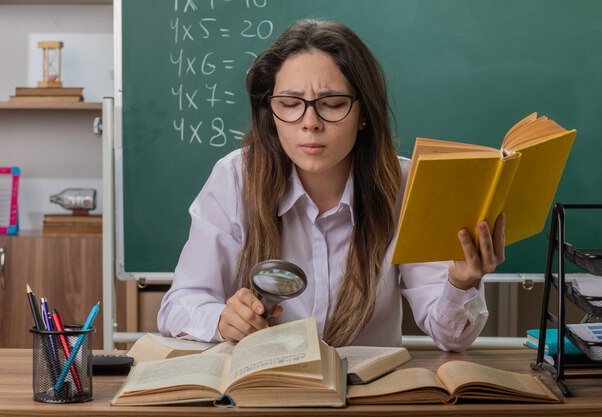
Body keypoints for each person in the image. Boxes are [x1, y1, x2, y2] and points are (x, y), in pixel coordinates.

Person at [158, 19, 505, 350]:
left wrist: (462, 283)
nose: (310, 123)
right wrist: (221, 319)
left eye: (333, 104)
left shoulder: (406, 184)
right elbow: (179, 304)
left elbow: (451, 337)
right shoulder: (235, 178)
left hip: (368, 401)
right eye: (290, 105)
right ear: (270, 112)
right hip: (267, 394)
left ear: (364, 112)